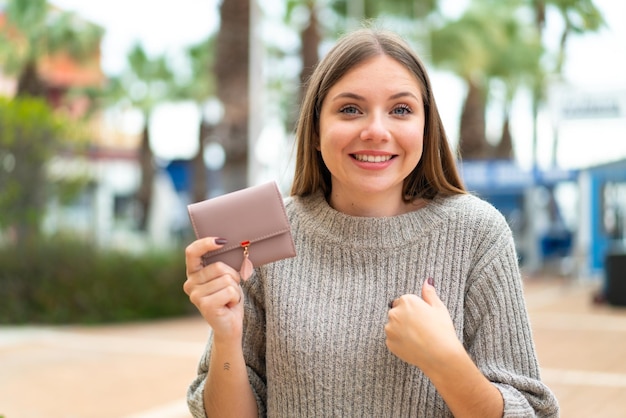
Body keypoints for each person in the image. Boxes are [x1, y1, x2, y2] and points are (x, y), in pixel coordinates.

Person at [184, 27, 559, 417]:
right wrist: (227, 338)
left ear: (426, 127)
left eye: (401, 109)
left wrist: (445, 361)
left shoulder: (478, 233)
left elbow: (531, 411)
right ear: (315, 130)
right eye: (350, 109)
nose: (376, 131)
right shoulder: (262, 230)